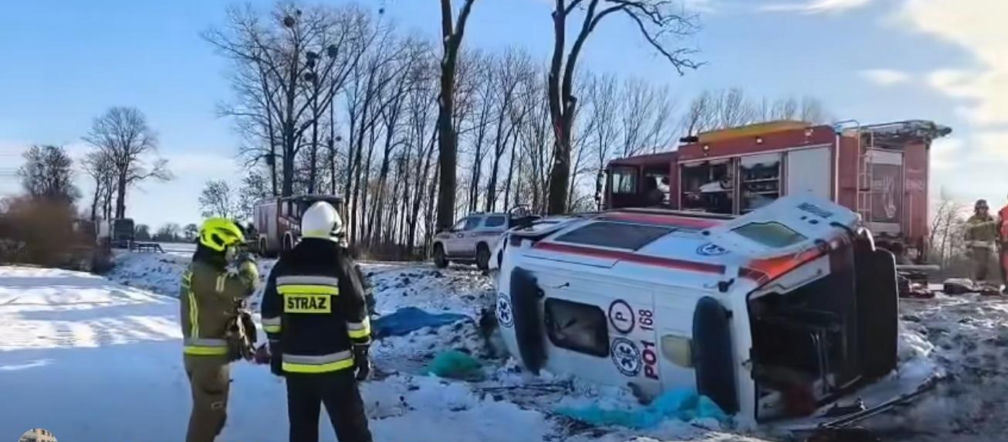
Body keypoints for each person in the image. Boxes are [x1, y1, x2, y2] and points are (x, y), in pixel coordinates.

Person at [260, 201, 374, 442]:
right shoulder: (340, 264)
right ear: (334, 229)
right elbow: (357, 311)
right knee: (353, 433)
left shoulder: (284, 265)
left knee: (302, 432)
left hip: (297, 368)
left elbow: (270, 314)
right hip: (336, 367)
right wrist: (362, 350)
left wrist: (276, 348)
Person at [179, 218, 259, 442]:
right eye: (232, 247)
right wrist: (248, 261)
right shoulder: (206, 274)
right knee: (207, 420)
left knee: (214, 417)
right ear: (218, 244)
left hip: (203, 358)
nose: (233, 253)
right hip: (209, 361)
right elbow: (246, 285)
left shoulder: (201, 271)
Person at [965, 199, 998, 284]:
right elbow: (967, 234)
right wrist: (968, 247)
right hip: (977, 246)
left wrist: (997, 243)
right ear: (977, 209)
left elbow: (995, 232)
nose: (982, 210)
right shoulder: (972, 220)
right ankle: (978, 283)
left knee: (990, 266)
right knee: (979, 266)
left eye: (984, 208)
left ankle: (989, 283)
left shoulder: (991, 219)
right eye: (981, 208)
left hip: (989, 246)